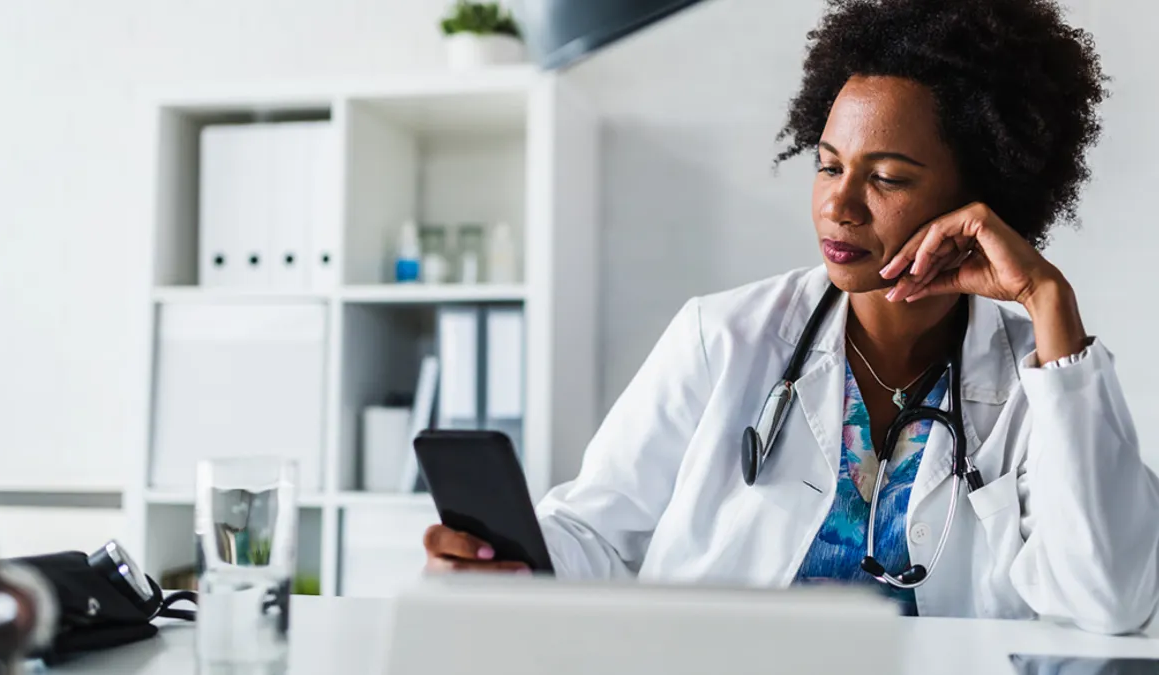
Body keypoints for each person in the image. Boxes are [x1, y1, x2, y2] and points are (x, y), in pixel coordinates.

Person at [423, 0, 1159, 634]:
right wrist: (510, 559)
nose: (838, 204)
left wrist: (1049, 303)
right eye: (830, 164)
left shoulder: (1038, 386)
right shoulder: (725, 338)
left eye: (888, 177)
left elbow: (1114, 599)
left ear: (983, 192)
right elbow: (595, 532)